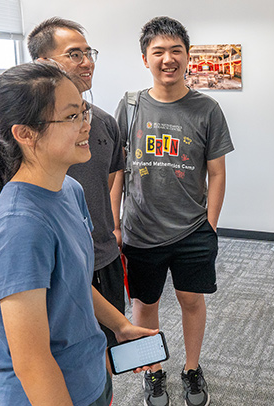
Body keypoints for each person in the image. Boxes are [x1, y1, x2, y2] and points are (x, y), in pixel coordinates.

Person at [0, 62, 156, 406]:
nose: (88, 125)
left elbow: (71, 281)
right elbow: (32, 363)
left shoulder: (69, 189)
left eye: (84, 112)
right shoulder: (16, 228)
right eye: (72, 117)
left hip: (89, 377)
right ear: (25, 133)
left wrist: (120, 325)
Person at [114, 16, 234, 406]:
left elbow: (217, 172)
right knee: (144, 305)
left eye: (176, 51)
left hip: (193, 230)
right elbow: (118, 170)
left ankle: (191, 369)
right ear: (145, 58)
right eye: (158, 52)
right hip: (141, 230)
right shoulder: (130, 106)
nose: (168, 59)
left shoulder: (207, 108)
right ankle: (154, 371)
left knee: (191, 301)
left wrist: (211, 225)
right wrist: (114, 222)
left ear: (188, 56)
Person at [27, 18, 126, 348]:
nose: (87, 62)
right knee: (59, 353)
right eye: (74, 54)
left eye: (89, 52)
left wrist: (112, 228)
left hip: (103, 255)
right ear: (44, 63)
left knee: (107, 348)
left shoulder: (105, 123)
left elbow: (111, 179)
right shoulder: (27, 131)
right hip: (54, 265)